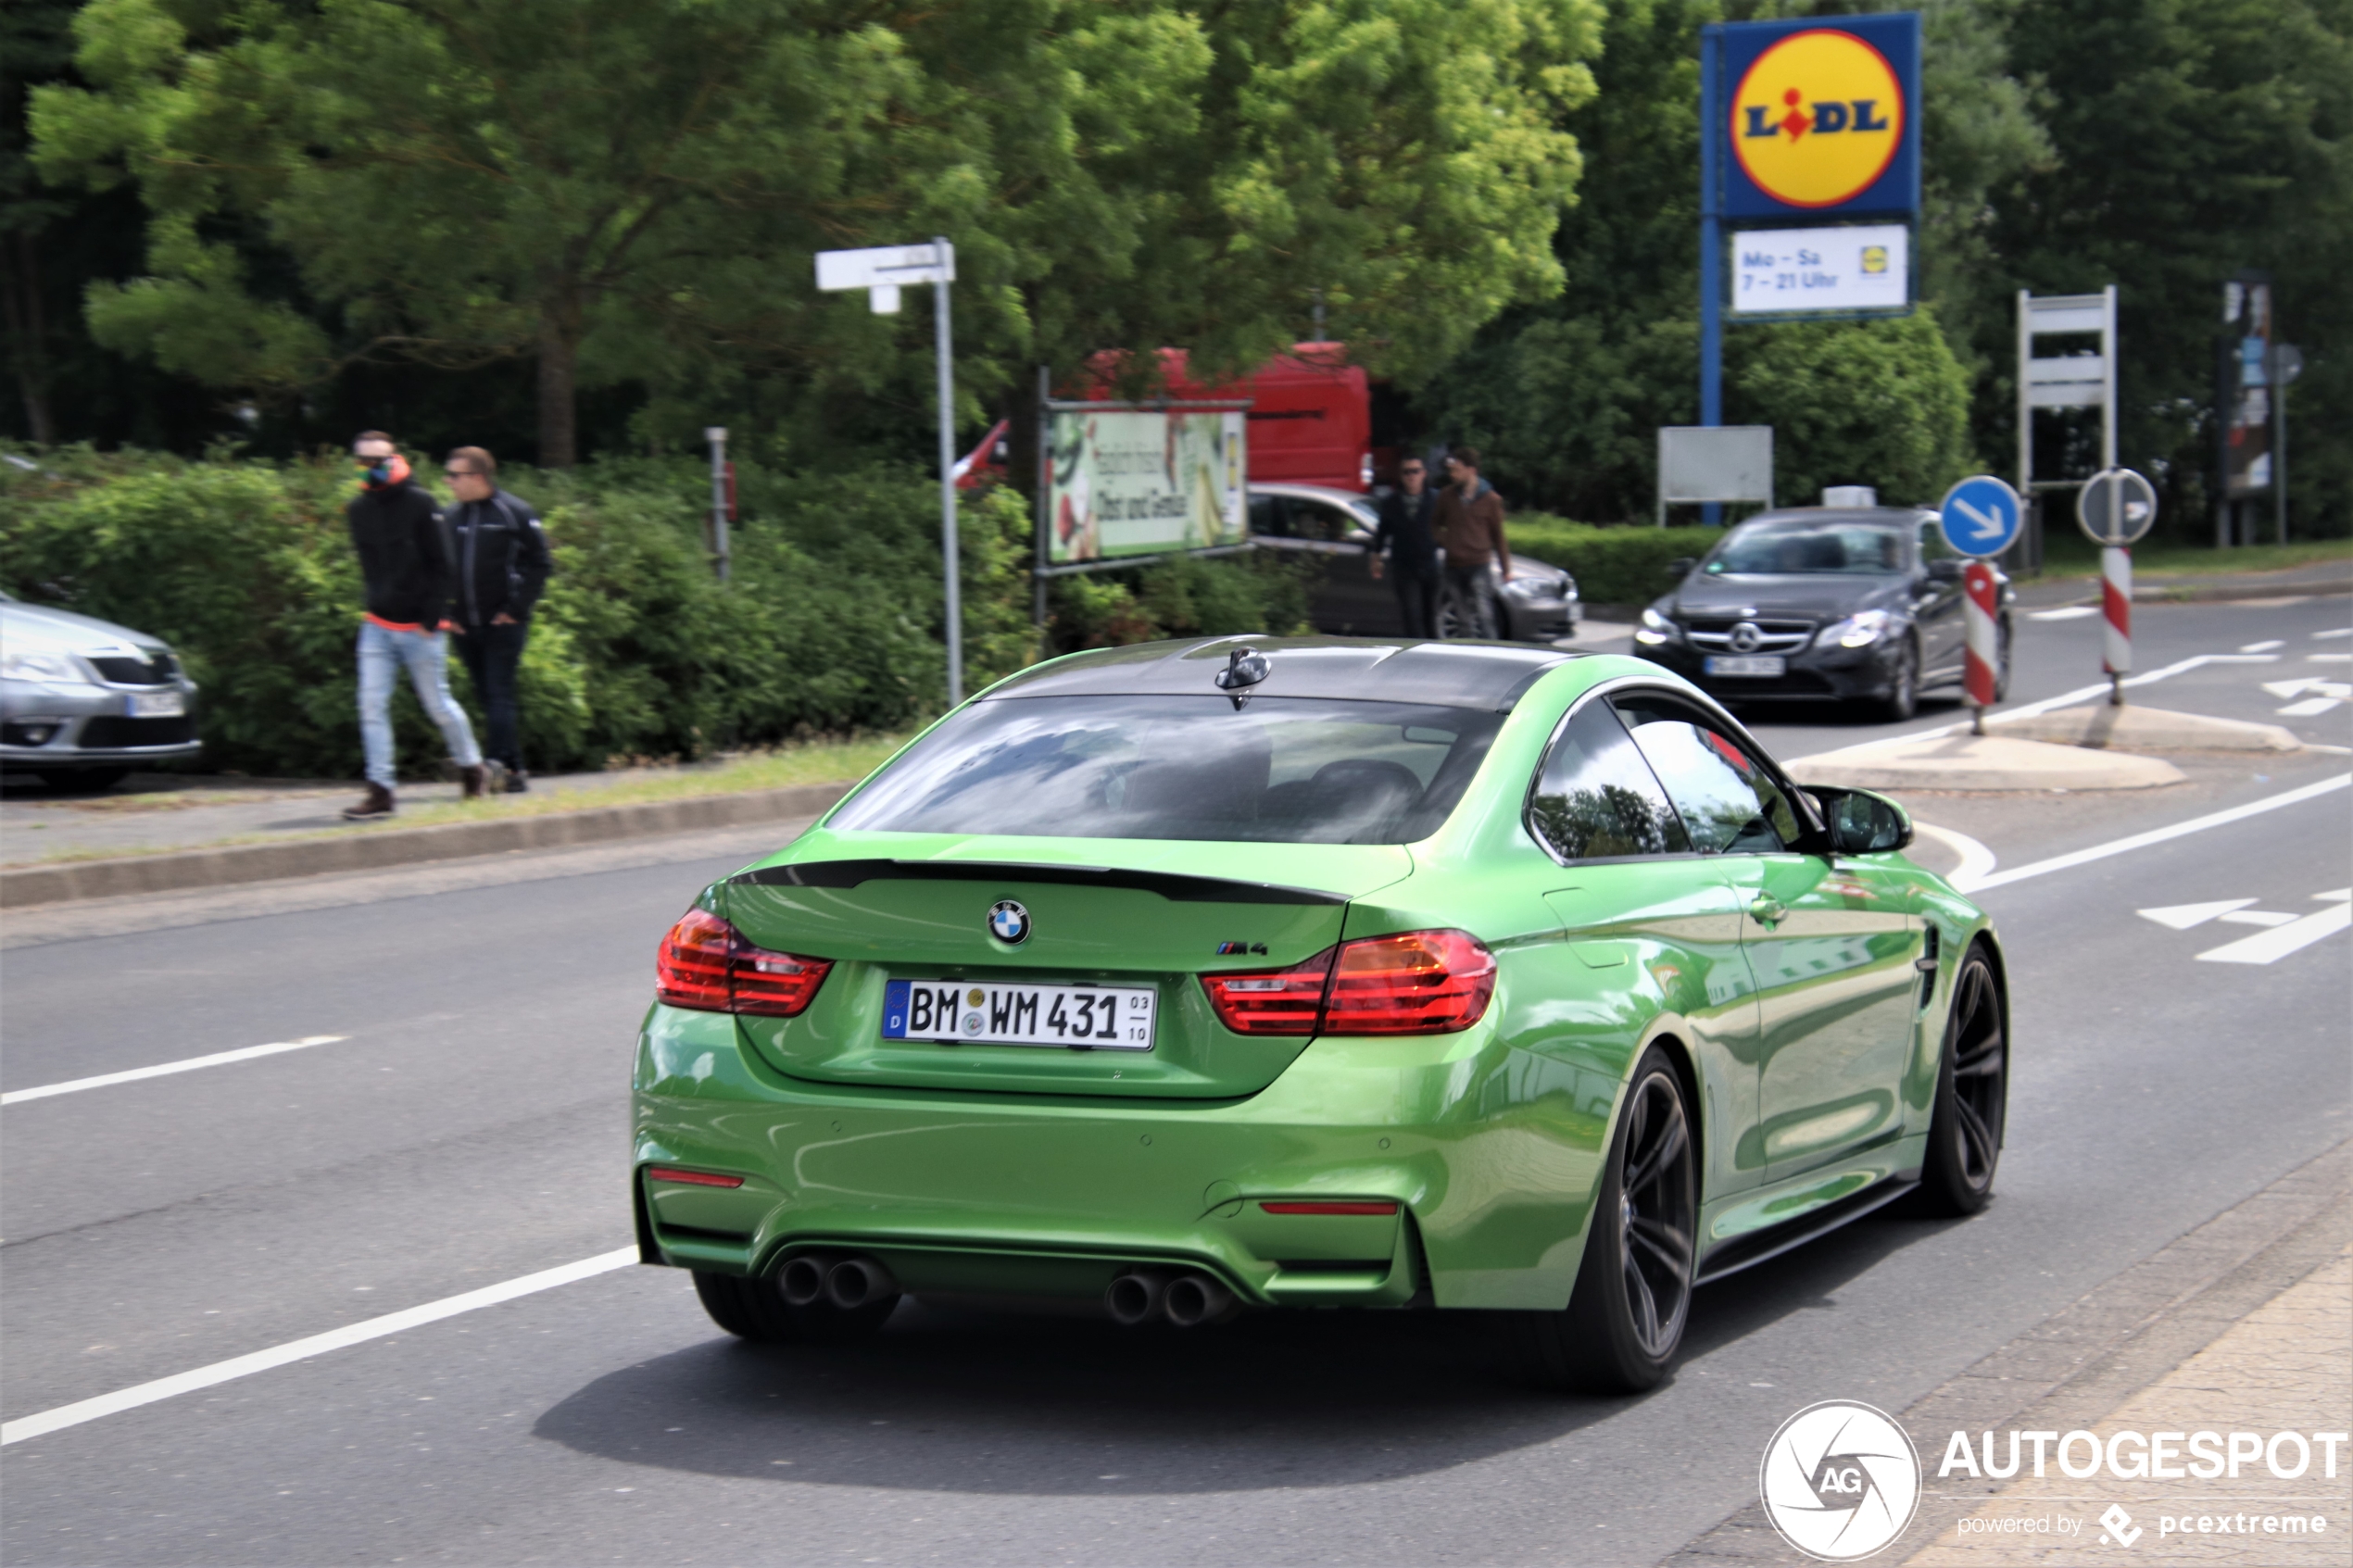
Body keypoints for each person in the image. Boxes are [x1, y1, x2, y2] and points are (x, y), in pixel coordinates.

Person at [341, 431, 485, 819]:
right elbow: (371, 567)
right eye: (363, 462)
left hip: (421, 628)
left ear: (395, 459)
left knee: (437, 706)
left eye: (379, 461)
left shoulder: (421, 503)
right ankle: (380, 792)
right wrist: (376, 603)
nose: (371, 469)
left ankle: (473, 768)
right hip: (377, 625)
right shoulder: (358, 509)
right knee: (370, 706)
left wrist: (431, 617)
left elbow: (444, 566)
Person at [442, 446, 551, 792]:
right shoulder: (449, 517)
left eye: (454, 475)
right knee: (486, 696)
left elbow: (541, 563)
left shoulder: (514, 512)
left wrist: (516, 609)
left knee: (498, 692)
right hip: (464, 625)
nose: (448, 482)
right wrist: (446, 613)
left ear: (477, 477)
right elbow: (436, 570)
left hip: (503, 623)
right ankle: (515, 771)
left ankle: (494, 766)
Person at [1435, 445, 1511, 640]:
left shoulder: (1491, 500)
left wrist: (1506, 569)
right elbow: (1434, 524)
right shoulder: (1447, 496)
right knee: (1462, 619)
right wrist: (1447, 541)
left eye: (1457, 470)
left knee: (1484, 615)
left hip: (1479, 564)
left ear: (1471, 470)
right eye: (1451, 470)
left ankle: (1493, 653)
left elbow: (1499, 536)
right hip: (1453, 566)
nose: (1453, 474)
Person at [1371, 456, 1441, 638]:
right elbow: (1382, 532)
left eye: (1415, 471)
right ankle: (1418, 655)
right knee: (1412, 614)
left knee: (1431, 615)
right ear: (1401, 476)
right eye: (1406, 472)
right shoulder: (1391, 502)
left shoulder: (1436, 499)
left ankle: (1436, 653)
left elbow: (1452, 526)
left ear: (1424, 474)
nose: (1411, 476)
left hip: (1429, 564)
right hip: (1404, 567)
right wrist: (1376, 558)